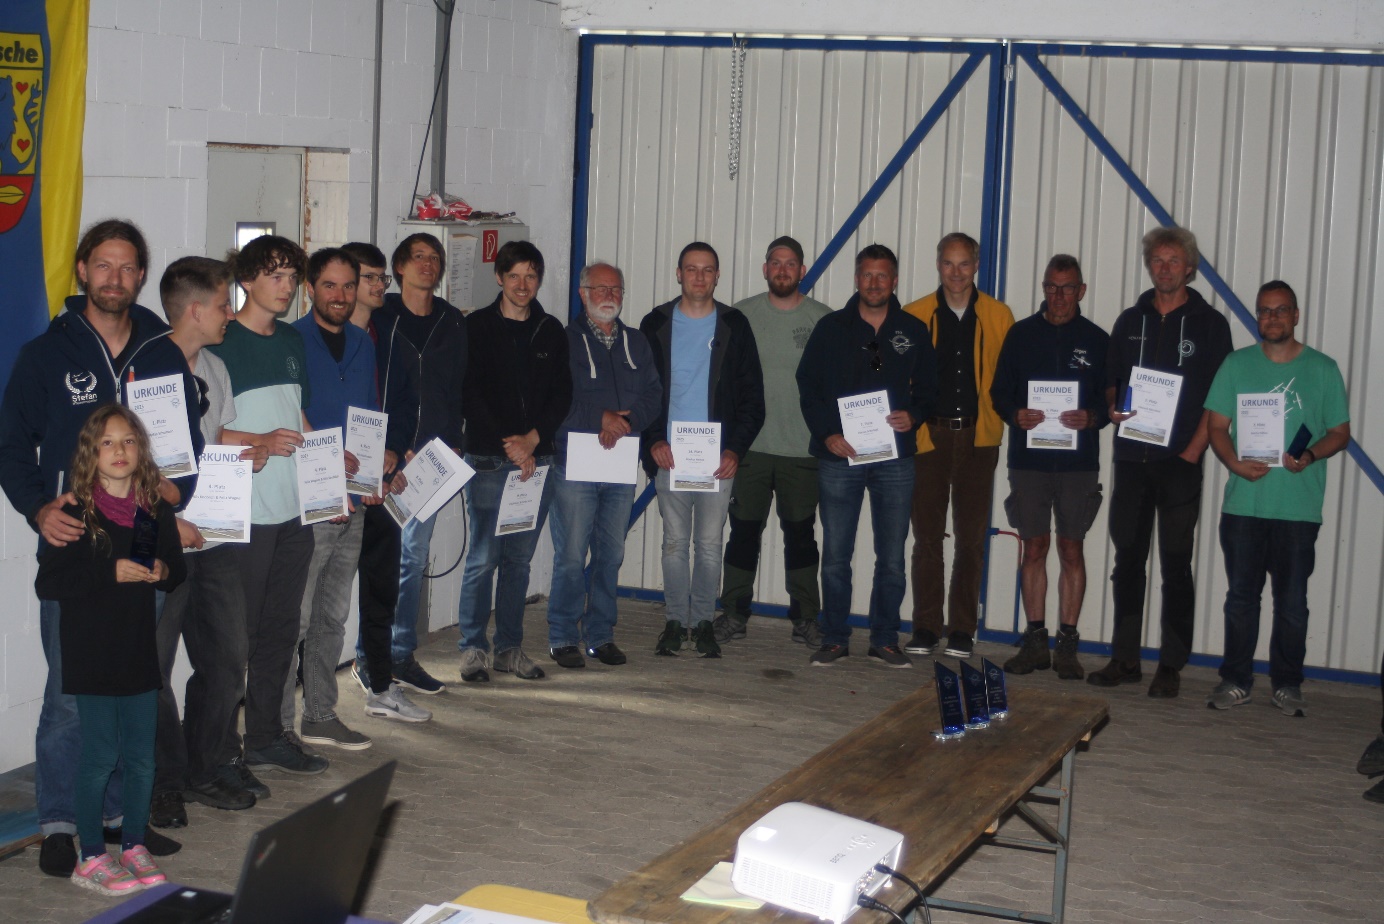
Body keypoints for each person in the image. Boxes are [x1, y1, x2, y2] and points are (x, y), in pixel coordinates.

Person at [0, 218, 195, 874]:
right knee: (70, 696)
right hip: (78, 550)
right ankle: (61, 821)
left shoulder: (163, 352)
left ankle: (118, 821)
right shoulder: (45, 354)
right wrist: (37, 507)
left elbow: (184, 448)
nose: (116, 278)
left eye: (128, 267)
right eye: (103, 265)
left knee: (133, 685)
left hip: (142, 544)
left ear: (141, 275)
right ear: (83, 270)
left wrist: (178, 497)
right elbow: (9, 445)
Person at [35, 405, 186, 894]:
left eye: (128, 441)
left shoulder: (154, 510)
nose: (119, 450)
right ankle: (92, 856)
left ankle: (134, 844)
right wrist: (110, 571)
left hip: (137, 652)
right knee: (99, 757)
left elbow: (177, 567)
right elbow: (49, 582)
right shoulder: (75, 514)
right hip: (92, 657)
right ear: (90, 454)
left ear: (141, 450)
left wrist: (163, 570)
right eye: (107, 442)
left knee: (142, 758)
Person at [283, 248, 428, 752]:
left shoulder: (364, 344)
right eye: (330, 285)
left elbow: (368, 415)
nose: (341, 296)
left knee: (332, 617)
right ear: (310, 288)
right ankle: (275, 728)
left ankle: (320, 715)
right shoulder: (290, 341)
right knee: (295, 618)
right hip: (307, 501)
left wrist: (373, 477)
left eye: (348, 286)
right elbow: (289, 416)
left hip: (355, 501)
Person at [1089, 227, 1232, 698]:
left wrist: (1194, 450)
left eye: (1174, 261)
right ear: (1149, 265)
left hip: (1180, 462)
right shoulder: (1130, 319)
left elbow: (1220, 396)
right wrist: (1114, 407)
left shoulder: (1210, 324)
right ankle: (1125, 658)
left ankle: (1171, 664)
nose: (1164, 269)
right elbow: (1112, 380)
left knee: (1175, 564)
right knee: (1127, 561)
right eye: (1157, 260)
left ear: (1189, 268)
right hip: (1132, 458)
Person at [152, 257, 266, 826]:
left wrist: (248, 449)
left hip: (216, 536)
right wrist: (163, 521)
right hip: (162, 537)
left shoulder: (216, 367)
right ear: (195, 310)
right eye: (224, 305)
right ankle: (162, 781)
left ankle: (206, 767)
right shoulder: (147, 368)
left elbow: (213, 435)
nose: (230, 314)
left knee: (227, 656)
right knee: (152, 666)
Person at [208, 235, 327, 776]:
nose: (286, 287)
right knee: (240, 637)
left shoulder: (293, 340)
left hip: (294, 510)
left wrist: (328, 480)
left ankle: (264, 736)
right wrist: (259, 440)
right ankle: (221, 747)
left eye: (292, 277)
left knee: (282, 629)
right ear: (246, 280)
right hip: (245, 512)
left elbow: (298, 419)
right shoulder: (220, 341)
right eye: (275, 276)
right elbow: (205, 431)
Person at [1203, 280, 1349, 716]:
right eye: (1265, 311)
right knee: (1241, 600)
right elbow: (1216, 426)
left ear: (1296, 315)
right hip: (1244, 505)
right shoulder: (1236, 364)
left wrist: (1310, 454)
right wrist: (1234, 463)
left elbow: (1339, 432)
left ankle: (1287, 684)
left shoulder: (1323, 369)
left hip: (1298, 508)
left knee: (1292, 605)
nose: (1272, 318)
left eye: (1281, 310)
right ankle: (1236, 680)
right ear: (1257, 317)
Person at [797, 244, 936, 668]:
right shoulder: (831, 328)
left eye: (882, 276)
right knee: (836, 556)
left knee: (891, 557)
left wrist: (914, 415)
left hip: (895, 459)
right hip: (840, 457)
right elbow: (808, 386)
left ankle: (885, 639)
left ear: (894, 281)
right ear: (857, 279)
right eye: (867, 275)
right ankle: (835, 637)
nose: (874, 283)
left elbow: (930, 388)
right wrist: (827, 434)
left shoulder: (912, 330)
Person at [640, 242, 765, 658]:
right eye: (691, 269)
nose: (699, 277)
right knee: (675, 544)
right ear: (679, 274)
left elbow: (753, 399)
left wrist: (735, 450)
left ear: (717, 276)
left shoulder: (734, 325)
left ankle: (704, 623)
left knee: (710, 546)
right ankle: (676, 622)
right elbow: (642, 393)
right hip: (670, 456)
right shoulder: (655, 323)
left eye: (707, 269)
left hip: (716, 460)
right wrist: (653, 440)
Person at [989, 255, 1110, 679]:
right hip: (1030, 462)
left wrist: (1093, 418)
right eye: (1052, 287)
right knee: (1035, 546)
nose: (1059, 296)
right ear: (1043, 288)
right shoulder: (1021, 335)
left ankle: (1067, 647)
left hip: (1079, 463)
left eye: (1067, 287)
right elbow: (999, 392)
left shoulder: (1097, 340)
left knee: (1071, 549)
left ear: (1081, 290)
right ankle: (1036, 642)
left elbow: (1113, 399)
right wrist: (1014, 414)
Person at [457, 241, 571, 682]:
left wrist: (533, 440)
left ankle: (508, 648)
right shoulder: (476, 327)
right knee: (483, 558)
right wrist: (512, 444)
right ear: (499, 278)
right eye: (514, 276)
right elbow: (470, 393)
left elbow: (562, 393)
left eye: (531, 276)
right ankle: (472, 649)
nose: (523, 285)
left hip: (536, 462)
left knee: (519, 562)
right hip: (489, 459)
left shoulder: (550, 329)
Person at [713, 236, 832, 647]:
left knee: (801, 537)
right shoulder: (740, 316)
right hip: (750, 450)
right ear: (765, 269)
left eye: (790, 263)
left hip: (803, 451)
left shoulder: (823, 320)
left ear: (802, 270)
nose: (783, 270)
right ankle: (733, 613)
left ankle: (806, 618)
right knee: (743, 533)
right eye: (775, 263)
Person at [902, 232, 1014, 659]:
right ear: (938, 265)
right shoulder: (914, 315)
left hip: (978, 439)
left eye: (964, 263)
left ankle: (963, 629)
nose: (956, 272)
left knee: (970, 539)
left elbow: (1009, 378)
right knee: (927, 538)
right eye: (948, 263)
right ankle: (926, 626)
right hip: (928, 438)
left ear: (976, 265)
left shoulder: (999, 316)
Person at [545, 262, 661, 669]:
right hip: (574, 464)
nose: (609, 295)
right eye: (601, 288)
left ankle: (600, 635)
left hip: (619, 464)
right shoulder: (563, 341)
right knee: (571, 556)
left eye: (616, 289)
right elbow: (554, 398)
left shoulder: (636, 342)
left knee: (610, 554)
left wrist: (626, 422)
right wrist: (601, 418)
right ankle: (562, 636)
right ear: (583, 293)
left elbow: (654, 393)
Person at [368, 232, 467, 695]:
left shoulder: (452, 320)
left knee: (413, 558)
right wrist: (393, 443)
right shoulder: (381, 316)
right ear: (400, 267)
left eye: (434, 257)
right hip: (389, 456)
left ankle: (400, 654)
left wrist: (456, 441)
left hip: (433, 458)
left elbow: (459, 386)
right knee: (381, 561)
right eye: (419, 257)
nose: (428, 264)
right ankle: (370, 656)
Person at [341, 241, 431, 722]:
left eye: (382, 279)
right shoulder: (320, 338)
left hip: (383, 481)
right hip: (336, 481)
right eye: (369, 278)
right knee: (322, 601)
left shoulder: (389, 335)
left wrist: (394, 450)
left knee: (381, 589)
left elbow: (403, 402)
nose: (379, 287)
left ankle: (380, 686)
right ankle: (313, 702)